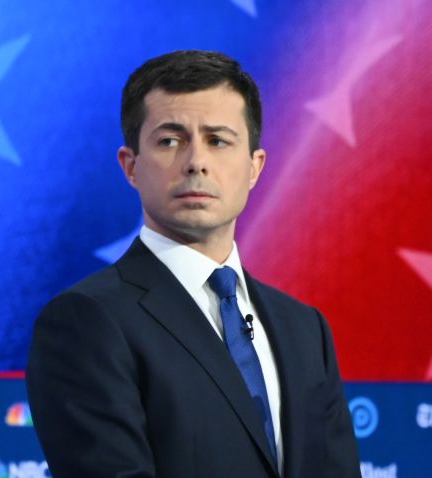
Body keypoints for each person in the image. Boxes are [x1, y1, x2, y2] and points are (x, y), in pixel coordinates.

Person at [26, 51, 360, 477]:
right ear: (131, 166)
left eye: (218, 140)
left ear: (254, 167)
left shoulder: (304, 328)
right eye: (170, 141)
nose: (196, 162)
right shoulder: (86, 320)